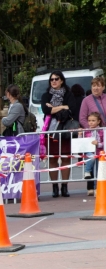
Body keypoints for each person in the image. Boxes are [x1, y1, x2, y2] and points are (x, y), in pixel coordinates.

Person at [41, 70, 79, 198]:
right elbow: (46, 110)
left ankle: (64, 186)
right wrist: (63, 107)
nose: (54, 81)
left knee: (66, 158)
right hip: (51, 131)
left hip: (65, 131)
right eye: (51, 79)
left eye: (56, 79)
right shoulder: (46, 95)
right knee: (52, 158)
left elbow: (72, 109)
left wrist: (54, 108)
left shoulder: (69, 94)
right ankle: (54, 187)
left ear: (62, 80)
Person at [79, 77, 106, 194]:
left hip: (105, 133)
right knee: (94, 159)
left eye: (98, 85)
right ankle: (93, 187)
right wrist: (92, 129)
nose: (96, 88)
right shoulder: (86, 100)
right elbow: (82, 117)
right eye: (94, 85)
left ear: (103, 87)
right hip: (94, 135)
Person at [82, 112, 103, 196]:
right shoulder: (86, 131)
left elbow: (104, 142)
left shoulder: (102, 131)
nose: (90, 122)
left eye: (93, 120)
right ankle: (87, 171)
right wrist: (80, 135)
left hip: (100, 153)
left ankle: (96, 188)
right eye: (89, 120)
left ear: (98, 121)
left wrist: (98, 144)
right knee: (91, 157)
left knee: (99, 171)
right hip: (90, 151)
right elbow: (81, 142)